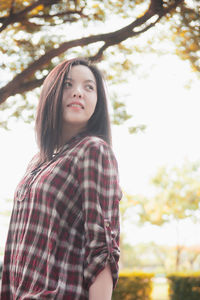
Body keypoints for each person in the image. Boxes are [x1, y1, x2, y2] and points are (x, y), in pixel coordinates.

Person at [0, 58, 122, 299]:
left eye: (89, 87)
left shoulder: (93, 150)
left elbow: (103, 250)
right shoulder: (37, 161)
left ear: (97, 103)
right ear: (52, 93)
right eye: (68, 84)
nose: (78, 92)